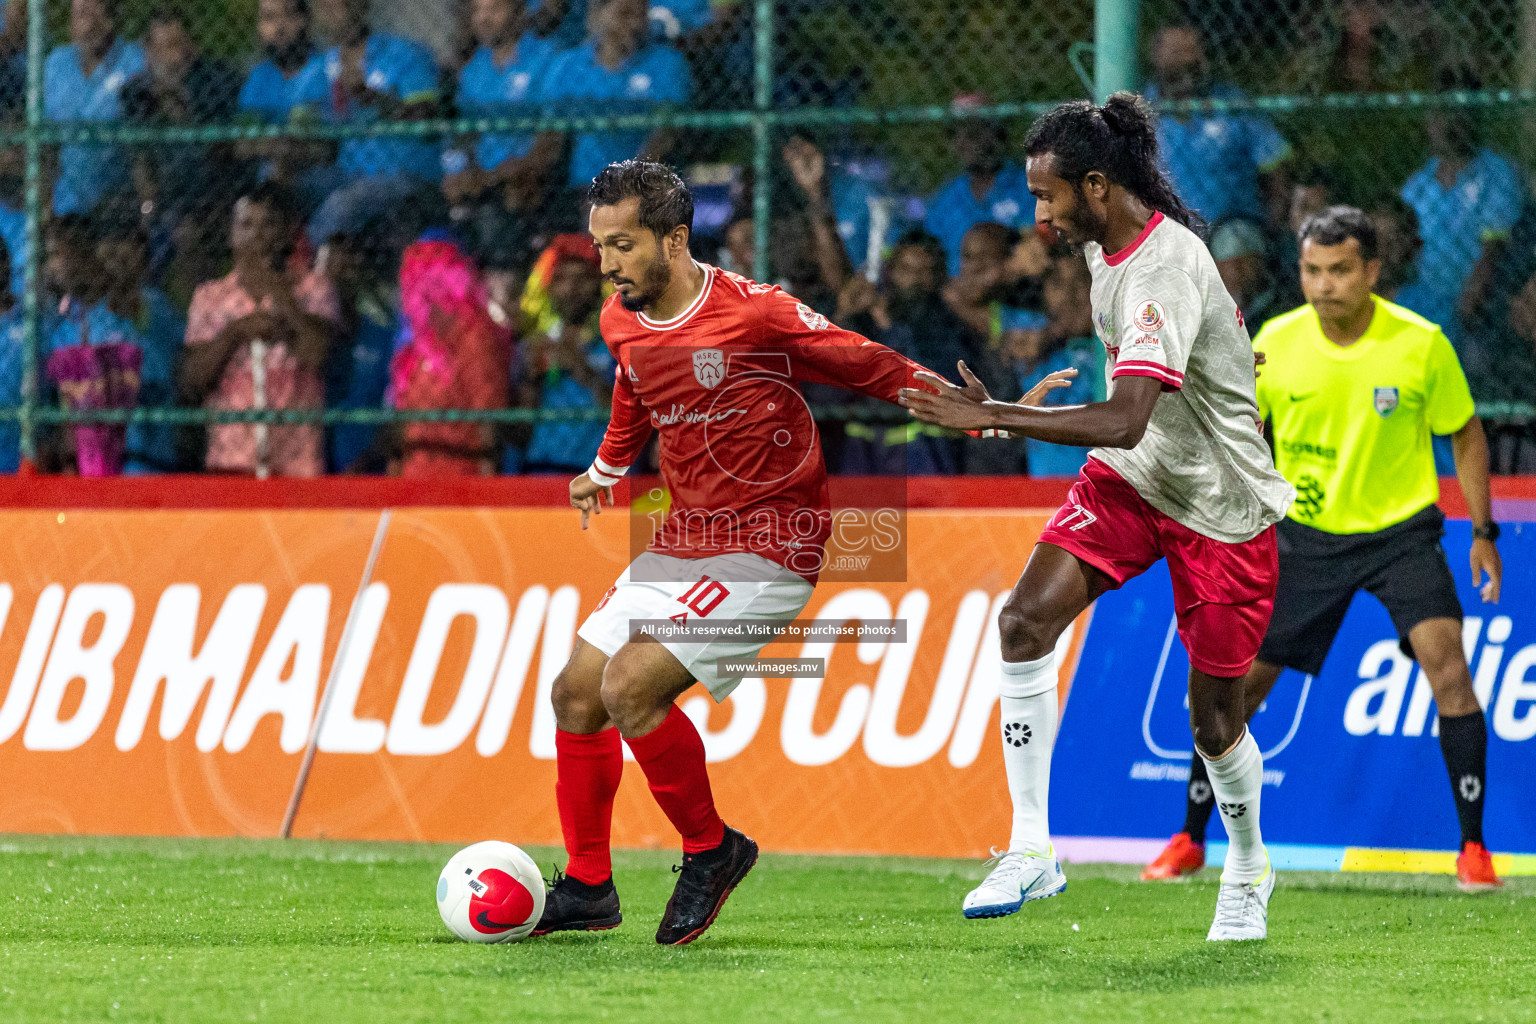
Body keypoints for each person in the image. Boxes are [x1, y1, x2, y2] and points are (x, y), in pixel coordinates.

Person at [900, 94, 1294, 941]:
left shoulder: (1158, 265)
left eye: (1048, 196)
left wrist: (997, 415)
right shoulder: (1111, 245)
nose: (1037, 215)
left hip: (1221, 512)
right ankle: (1033, 846)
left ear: (1096, 184)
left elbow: (1124, 416)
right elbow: (1135, 430)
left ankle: (1251, 865)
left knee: (1213, 724)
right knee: (1022, 622)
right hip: (1132, 482)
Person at [539, 160, 941, 945]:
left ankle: (711, 851)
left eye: (622, 245)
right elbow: (634, 388)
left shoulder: (755, 313)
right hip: (683, 538)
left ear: (674, 239)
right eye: (599, 247)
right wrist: (605, 469)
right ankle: (589, 886)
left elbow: (864, 360)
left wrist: (974, 409)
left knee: (630, 687)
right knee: (575, 693)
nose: (608, 264)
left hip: (770, 546)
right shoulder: (620, 318)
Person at [1140, 207, 1504, 892]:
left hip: (1401, 534)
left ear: (1371, 271)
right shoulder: (1276, 343)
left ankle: (1475, 851)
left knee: (1447, 664)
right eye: (1312, 270)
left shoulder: (1420, 344)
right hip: (1303, 538)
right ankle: (1188, 838)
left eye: (1340, 270)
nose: (1324, 284)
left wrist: (1484, 533)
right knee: (1237, 688)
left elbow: (1465, 433)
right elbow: (1236, 436)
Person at [180, 184, 340, 477]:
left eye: (268, 224)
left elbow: (317, 355)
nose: (257, 235)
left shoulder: (314, 288)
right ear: (231, 234)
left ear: (286, 232)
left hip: (298, 462)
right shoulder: (209, 297)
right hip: (232, 460)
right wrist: (236, 333)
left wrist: (283, 298)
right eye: (246, 225)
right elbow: (193, 379)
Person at [122, 6, 246, 280]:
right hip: (163, 197)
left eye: (180, 45)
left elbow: (221, 155)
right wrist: (148, 207)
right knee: (119, 226)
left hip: (212, 193)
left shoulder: (215, 80)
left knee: (187, 232)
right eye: (165, 48)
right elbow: (139, 159)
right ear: (148, 51)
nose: (175, 57)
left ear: (193, 46)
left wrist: (180, 109)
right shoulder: (136, 92)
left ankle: (201, 312)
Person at [835, 229, 973, 475]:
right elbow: (828, 379)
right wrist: (844, 316)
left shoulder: (950, 327)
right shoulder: (865, 323)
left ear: (939, 277)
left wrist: (890, 327)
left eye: (924, 272)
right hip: (865, 466)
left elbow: (924, 378)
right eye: (906, 270)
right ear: (890, 273)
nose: (915, 281)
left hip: (927, 467)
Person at [307, 0, 443, 246]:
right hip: (345, 173)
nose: (338, 6)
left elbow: (425, 119)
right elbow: (308, 128)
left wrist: (372, 99)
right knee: (284, 186)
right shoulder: (318, 67)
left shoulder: (404, 53)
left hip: (402, 174)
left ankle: (314, 277)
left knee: (341, 205)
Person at [1400, 104, 1524, 362]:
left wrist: (1457, 320)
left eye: (1456, 113)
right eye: (1439, 113)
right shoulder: (1419, 184)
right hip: (1422, 304)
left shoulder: (1496, 175)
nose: (1446, 124)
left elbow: (1492, 254)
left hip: (1481, 313)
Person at [1143, 22, 1290, 227]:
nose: (1187, 60)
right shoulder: (1140, 110)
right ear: (1156, 57)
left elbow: (1275, 163)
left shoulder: (1234, 104)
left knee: (1235, 244)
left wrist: (1272, 228)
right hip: (1162, 229)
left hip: (1231, 225)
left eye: (1193, 51)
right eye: (1177, 52)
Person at [390, 230, 511, 476]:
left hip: (460, 473)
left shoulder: (474, 337)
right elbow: (403, 419)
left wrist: (488, 496)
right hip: (414, 471)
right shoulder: (414, 341)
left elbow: (485, 421)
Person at [540, 0, 691, 192]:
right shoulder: (568, 65)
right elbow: (549, 135)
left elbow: (666, 133)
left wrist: (631, 181)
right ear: (597, 15)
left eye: (641, 15)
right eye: (624, 14)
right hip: (579, 187)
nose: (635, 24)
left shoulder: (667, 63)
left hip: (644, 187)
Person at [443, 0, 561, 216]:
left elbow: (553, 133)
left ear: (519, 12)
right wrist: (457, 171)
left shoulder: (548, 57)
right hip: (483, 179)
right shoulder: (473, 69)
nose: (484, 19)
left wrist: (524, 169)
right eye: (478, 10)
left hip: (532, 179)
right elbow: (464, 133)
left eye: (495, 9)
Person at [1002, 252, 1106, 477]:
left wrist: (1057, 331)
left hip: (1102, 493)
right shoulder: (1027, 336)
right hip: (1041, 495)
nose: (1070, 296)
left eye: (1081, 281)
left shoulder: (1118, 342)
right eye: (1058, 283)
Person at [95, 216, 185, 473]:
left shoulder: (159, 308)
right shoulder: (92, 318)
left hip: (153, 453)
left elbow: (172, 369)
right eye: (109, 247)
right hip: (104, 457)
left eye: (126, 246)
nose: (116, 256)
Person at [517, 236, 612, 472]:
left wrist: (582, 370)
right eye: (561, 280)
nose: (571, 290)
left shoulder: (615, 348)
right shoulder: (534, 346)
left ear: (599, 286)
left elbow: (631, 421)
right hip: (540, 471)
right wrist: (530, 383)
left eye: (582, 280)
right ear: (548, 286)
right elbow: (517, 435)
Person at [44, 0, 146, 216]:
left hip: (121, 204)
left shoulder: (135, 61)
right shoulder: (56, 64)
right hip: (67, 206)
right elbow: (47, 142)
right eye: (79, 15)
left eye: (92, 14)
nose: (86, 26)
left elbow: (143, 146)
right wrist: (47, 205)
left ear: (110, 19)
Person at [924, 100, 1035, 275]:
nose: (965, 141)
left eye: (975, 132)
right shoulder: (945, 200)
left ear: (998, 134)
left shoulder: (1029, 186)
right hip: (959, 292)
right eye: (956, 133)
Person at [1209, 217, 1278, 335]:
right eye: (1229, 264)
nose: (1237, 271)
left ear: (1262, 265)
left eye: (1246, 262)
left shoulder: (1279, 311)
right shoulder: (1205, 315)